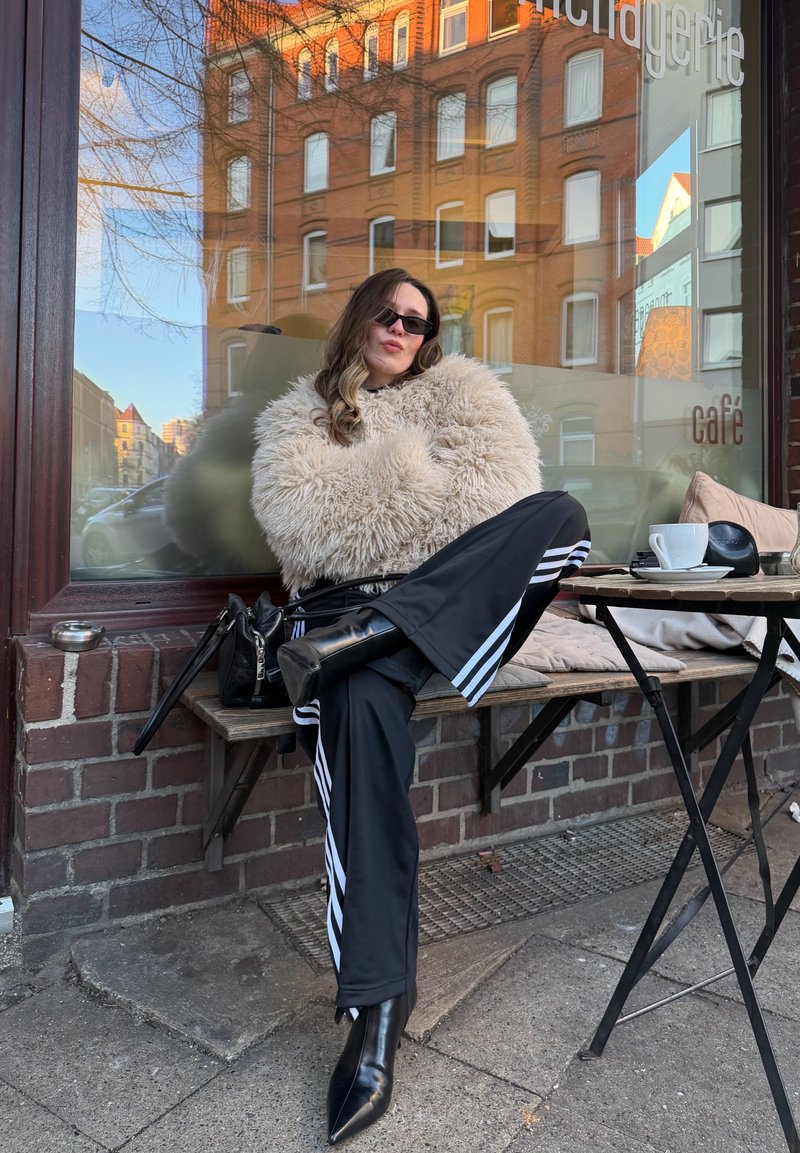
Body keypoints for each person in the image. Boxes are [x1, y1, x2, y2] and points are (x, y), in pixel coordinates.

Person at [250, 268, 590, 1146]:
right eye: (389, 314)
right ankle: (376, 1011)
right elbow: (301, 525)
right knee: (358, 706)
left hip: (434, 615)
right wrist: (415, 495)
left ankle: (372, 633)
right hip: (349, 619)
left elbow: (502, 502)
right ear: (361, 319)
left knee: (562, 514)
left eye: (417, 321)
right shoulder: (301, 415)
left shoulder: (461, 396)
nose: (402, 328)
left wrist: (402, 513)